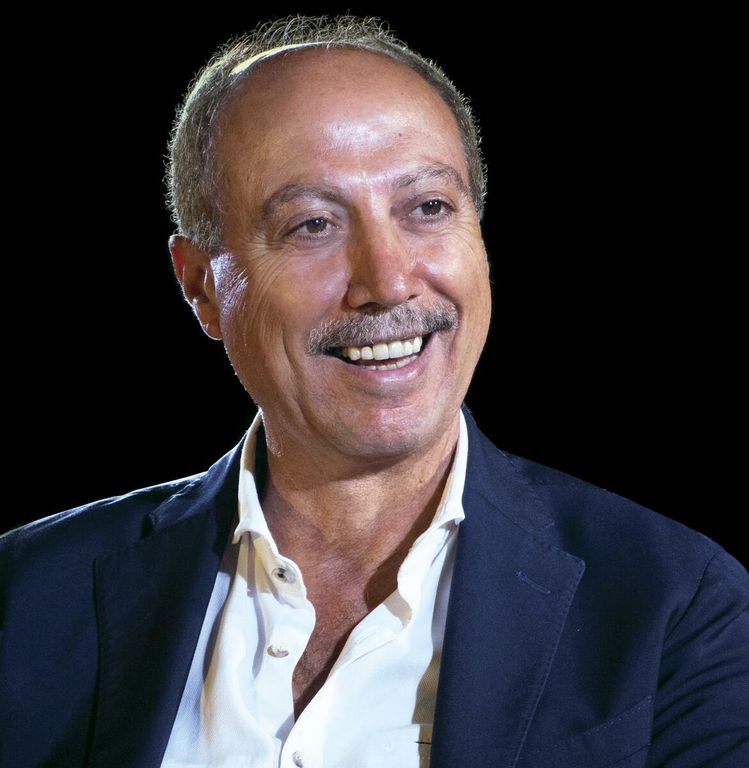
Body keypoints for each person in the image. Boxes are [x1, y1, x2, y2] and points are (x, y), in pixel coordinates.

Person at [1, 14, 747, 768]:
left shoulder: (676, 606)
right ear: (201, 287)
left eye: (428, 208)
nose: (388, 280)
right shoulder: (24, 597)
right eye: (312, 225)